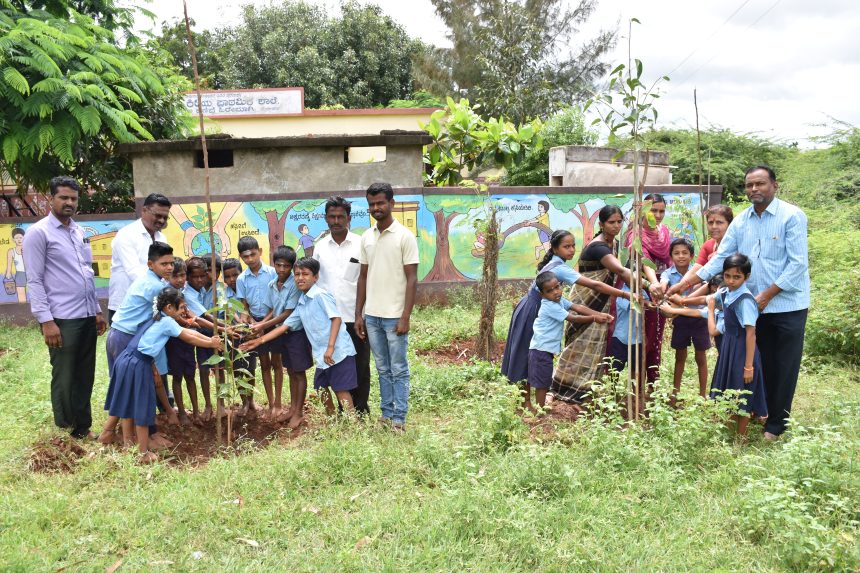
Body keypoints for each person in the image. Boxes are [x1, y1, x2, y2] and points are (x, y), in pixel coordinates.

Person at [668, 166, 809, 440]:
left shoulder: (791, 216)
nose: (754, 189)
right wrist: (684, 284)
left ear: (774, 186)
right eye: (749, 185)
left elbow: (797, 264)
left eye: (760, 184)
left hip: (786, 305)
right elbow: (719, 258)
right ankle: (760, 412)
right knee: (757, 362)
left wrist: (767, 295)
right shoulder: (741, 221)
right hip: (751, 308)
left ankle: (777, 425)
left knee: (783, 365)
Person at [502, 228, 630, 410]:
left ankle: (527, 403)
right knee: (526, 354)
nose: (571, 250)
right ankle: (525, 403)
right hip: (533, 310)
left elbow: (572, 305)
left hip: (532, 306)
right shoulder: (560, 269)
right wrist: (625, 295)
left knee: (529, 353)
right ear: (554, 249)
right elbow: (594, 284)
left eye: (573, 246)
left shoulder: (557, 265)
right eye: (566, 247)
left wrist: (595, 314)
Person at [23, 176, 108, 439]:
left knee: (85, 374)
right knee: (65, 375)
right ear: (51, 199)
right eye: (63, 197)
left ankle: (82, 427)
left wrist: (95, 310)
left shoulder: (78, 232)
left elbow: (86, 274)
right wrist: (46, 321)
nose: (69, 202)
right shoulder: (38, 233)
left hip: (85, 315)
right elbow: (34, 280)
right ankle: (65, 429)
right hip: (61, 318)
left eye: (73, 198)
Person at [100, 287, 222, 463]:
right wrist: (210, 343)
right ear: (169, 308)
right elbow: (188, 337)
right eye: (181, 308)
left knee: (128, 404)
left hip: (126, 359)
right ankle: (142, 454)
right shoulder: (167, 322)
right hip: (138, 364)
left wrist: (210, 341)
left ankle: (128, 445)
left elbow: (189, 332)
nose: (185, 312)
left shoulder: (157, 317)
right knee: (142, 408)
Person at [241, 257, 357, 419]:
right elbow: (285, 326)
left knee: (340, 389)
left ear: (315, 277)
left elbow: (336, 319)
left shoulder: (321, 295)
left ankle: (352, 426)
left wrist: (330, 347)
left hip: (338, 352)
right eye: (297, 274)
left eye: (305, 274)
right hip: (323, 355)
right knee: (321, 387)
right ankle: (333, 421)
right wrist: (259, 340)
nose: (300, 278)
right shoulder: (302, 301)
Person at [552, 205, 634, 402]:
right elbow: (620, 272)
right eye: (611, 222)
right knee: (577, 344)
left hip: (601, 301)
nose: (616, 226)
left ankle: (585, 391)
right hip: (586, 299)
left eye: (619, 222)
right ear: (602, 224)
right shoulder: (599, 247)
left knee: (594, 346)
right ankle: (561, 388)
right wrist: (645, 287)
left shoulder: (611, 243)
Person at [100, 242, 178, 446]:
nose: (170, 268)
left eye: (171, 263)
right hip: (126, 337)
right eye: (164, 264)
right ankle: (141, 437)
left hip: (120, 335)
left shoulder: (151, 280)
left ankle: (118, 434)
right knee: (134, 388)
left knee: (126, 386)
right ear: (150, 264)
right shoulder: (156, 286)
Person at [355, 183, 419, 432]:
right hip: (372, 316)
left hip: (395, 317)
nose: (376, 208)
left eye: (380, 203)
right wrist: (358, 314)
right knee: (382, 369)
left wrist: (406, 316)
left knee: (399, 369)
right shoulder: (366, 237)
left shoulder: (405, 236)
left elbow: (412, 279)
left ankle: (399, 419)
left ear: (392, 203)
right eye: (371, 204)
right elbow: (362, 277)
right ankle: (386, 413)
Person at [313, 196, 372, 415]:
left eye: (340, 216)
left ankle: (360, 410)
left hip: (356, 319)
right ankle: (342, 412)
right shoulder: (320, 248)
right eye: (332, 216)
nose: (336, 221)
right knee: (334, 366)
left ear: (349, 218)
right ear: (326, 219)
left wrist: (361, 316)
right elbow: (316, 284)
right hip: (330, 320)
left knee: (360, 366)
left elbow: (367, 279)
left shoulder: (361, 244)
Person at [528, 271, 612, 411]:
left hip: (545, 349)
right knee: (542, 383)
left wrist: (599, 314)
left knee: (545, 379)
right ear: (542, 295)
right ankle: (540, 411)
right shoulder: (550, 306)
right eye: (550, 291)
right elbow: (573, 318)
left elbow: (578, 308)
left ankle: (540, 408)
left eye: (557, 287)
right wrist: (594, 318)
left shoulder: (559, 301)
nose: (556, 292)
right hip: (540, 349)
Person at [252, 246, 313, 426]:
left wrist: (264, 325)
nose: (281, 269)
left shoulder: (295, 285)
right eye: (278, 265)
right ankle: (293, 409)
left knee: (299, 372)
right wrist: (261, 323)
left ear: (292, 267)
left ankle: (299, 412)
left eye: (286, 266)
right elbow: (272, 309)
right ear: (274, 263)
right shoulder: (272, 284)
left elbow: (287, 313)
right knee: (291, 371)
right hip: (282, 334)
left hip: (295, 333)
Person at [708, 254, 768, 437]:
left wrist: (748, 366)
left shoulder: (745, 300)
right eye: (727, 276)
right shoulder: (727, 293)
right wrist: (682, 300)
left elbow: (751, 333)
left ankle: (740, 439)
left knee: (742, 393)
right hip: (729, 348)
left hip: (743, 351)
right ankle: (728, 433)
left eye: (737, 277)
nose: (731, 281)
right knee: (729, 389)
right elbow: (710, 299)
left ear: (746, 277)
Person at [627, 193, 673, 386]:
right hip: (643, 289)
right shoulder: (635, 234)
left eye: (662, 210)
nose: (658, 214)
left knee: (657, 338)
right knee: (642, 339)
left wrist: (666, 286)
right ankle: (636, 385)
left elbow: (670, 262)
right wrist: (654, 286)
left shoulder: (665, 232)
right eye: (654, 210)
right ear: (644, 210)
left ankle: (653, 384)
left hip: (662, 288)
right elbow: (645, 263)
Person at [108, 193, 171, 324]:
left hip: (151, 304)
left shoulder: (161, 238)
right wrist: (164, 293)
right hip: (126, 305)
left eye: (165, 217)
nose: (161, 221)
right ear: (144, 210)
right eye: (158, 215)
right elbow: (134, 272)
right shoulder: (126, 235)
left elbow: (165, 271)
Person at [660, 238, 710, 399]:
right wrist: (662, 289)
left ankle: (703, 395)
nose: (681, 256)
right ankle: (675, 393)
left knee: (700, 357)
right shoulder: (668, 274)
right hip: (680, 320)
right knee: (679, 357)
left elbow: (705, 288)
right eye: (676, 253)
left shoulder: (699, 274)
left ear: (692, 256)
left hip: (698, 319)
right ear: (671, 256)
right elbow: (663, 283)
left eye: (684, 253)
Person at [236, 236, 279, 415]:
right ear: (241, 257)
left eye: (253, 254)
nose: (250, 259)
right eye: (246, 257)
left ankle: (277, 403)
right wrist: (252, 322)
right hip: (255, 325)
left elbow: (277, 303)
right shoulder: (241, 279)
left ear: (260, 251)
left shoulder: (273, 273)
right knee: (265, 364)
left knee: (277, 363)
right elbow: (244, 305)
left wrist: (264, 323)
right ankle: (270, 403)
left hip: (273, 322)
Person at [166, 258, 200, 425]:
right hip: (175, 342)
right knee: (178, 377)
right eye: (176, 276)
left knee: (191, 376)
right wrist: (190, 322)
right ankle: (182, 414)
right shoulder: (168, 294)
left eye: (183, 275)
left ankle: (196, 412)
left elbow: (190, 314)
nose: (180, 279)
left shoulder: (183, 292)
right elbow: (181, 318)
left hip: (188, 341)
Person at [693, 205, 733, 270]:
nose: (714, 226)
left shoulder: (737, 245)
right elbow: (696, 269)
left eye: (719, 222)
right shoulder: (708, 245)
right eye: (710, 222)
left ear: (730, 224)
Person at [4, 227, 26, 303]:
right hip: (20, 274)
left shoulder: (29, 248)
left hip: (31, 272)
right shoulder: (11, 251)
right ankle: (23, 311)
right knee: (21, 293)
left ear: (24, 237)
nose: (19, 239)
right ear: (13, 239)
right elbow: (9, 265)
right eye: (16, 238)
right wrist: (8, 274)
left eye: (20, 237)